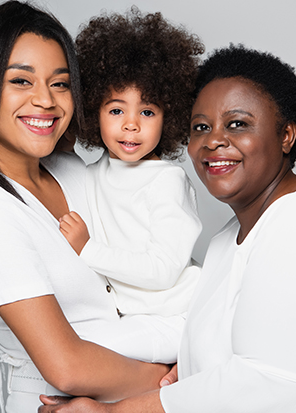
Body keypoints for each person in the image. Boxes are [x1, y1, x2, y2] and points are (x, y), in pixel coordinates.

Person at [39, 44, 296, 412]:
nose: (214, 140)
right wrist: (183, 375)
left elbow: (274, 392)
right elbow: (226, 371)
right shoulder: (226, 241)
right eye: (201, 127)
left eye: (237, 124)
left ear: (286, 135)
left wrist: (114, 412)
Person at [0, 2, 185, 412]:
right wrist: (177, 383)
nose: (44, 99)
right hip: (62, 401)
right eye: (21, 81)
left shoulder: (71, 169)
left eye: (60, 84)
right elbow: (65, 367)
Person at [58, 9, 203, 325]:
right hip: (131, 318)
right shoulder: (93, 173)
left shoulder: (167, 181)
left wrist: (88, 249)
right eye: (115, 111)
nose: (131, 125)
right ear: (92, 111)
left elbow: (163, 270)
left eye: (148, 112)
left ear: (171, 116)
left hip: (179, 314)